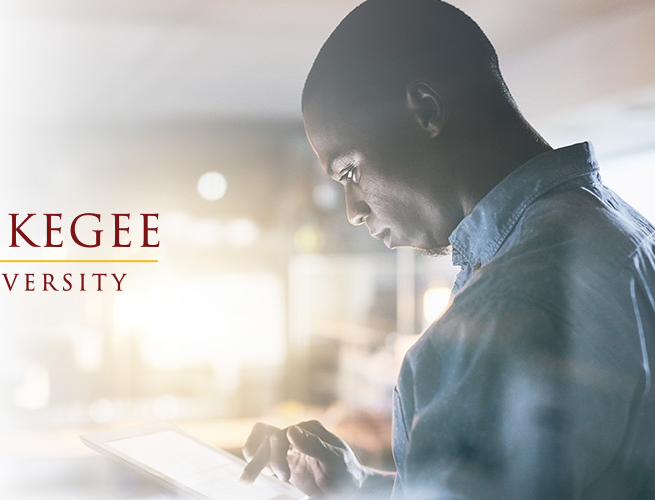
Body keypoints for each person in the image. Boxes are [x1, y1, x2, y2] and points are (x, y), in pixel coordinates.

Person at [240, 0, 655, 498]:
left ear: (427, 111)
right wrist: (351, 486)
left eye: (350, 171)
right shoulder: (620, 230)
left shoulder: (504, 314)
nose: (353, 209)